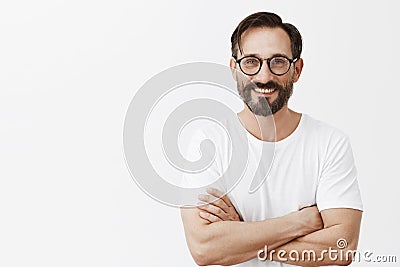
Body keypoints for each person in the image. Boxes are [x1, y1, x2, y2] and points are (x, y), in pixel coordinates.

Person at [180, 11, 363, 266]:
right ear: (234, 69)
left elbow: (342, 248)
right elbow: (204, 247)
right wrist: (300, 222)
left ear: (296, 70)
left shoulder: (330, 143)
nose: (264, 76)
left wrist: (242, 233)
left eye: (277, 62)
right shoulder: (207, 141)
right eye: (251, 62)